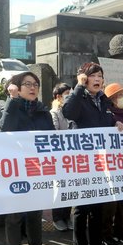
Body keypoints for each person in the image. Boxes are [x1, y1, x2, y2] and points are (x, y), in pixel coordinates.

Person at [62, 62, 123, 245]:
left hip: (101, 163)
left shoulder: (103, 101)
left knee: (98, 208)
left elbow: (106, 122)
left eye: (100, 75)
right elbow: (69, 113)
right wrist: (78, 87)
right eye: (93, 75)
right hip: (82, 163)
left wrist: (116, 124)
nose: (98, 79)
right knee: (82, 208)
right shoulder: (78, 97)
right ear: (84, 78)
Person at [0, 71, 54, 245]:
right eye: (27, 84)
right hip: (15, 171)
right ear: (17, 88)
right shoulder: (6, 107)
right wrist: (13, 101)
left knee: (34, 214)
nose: (32, 88)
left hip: (37, 171)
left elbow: (52, 141)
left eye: (36, 84)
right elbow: (5, 129)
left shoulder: (43, 112)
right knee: (14, 216)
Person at [101, 82, 123, 245]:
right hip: (111, 163)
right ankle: (106, 233)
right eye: (118, 95)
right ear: (111, 99)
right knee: (110, 203)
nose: (122, 98)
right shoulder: (107, 114)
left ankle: (119, 231)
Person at [49, 82, 73, 232]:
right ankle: (57, 217)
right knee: (60, 187)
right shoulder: (54, 113)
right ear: (59, 96)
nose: (69, 97)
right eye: (67, 94)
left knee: (70, 187)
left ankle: (67, 216)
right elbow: (54, 132)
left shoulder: (72, 111)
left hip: (72, 156)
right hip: (60, 156)